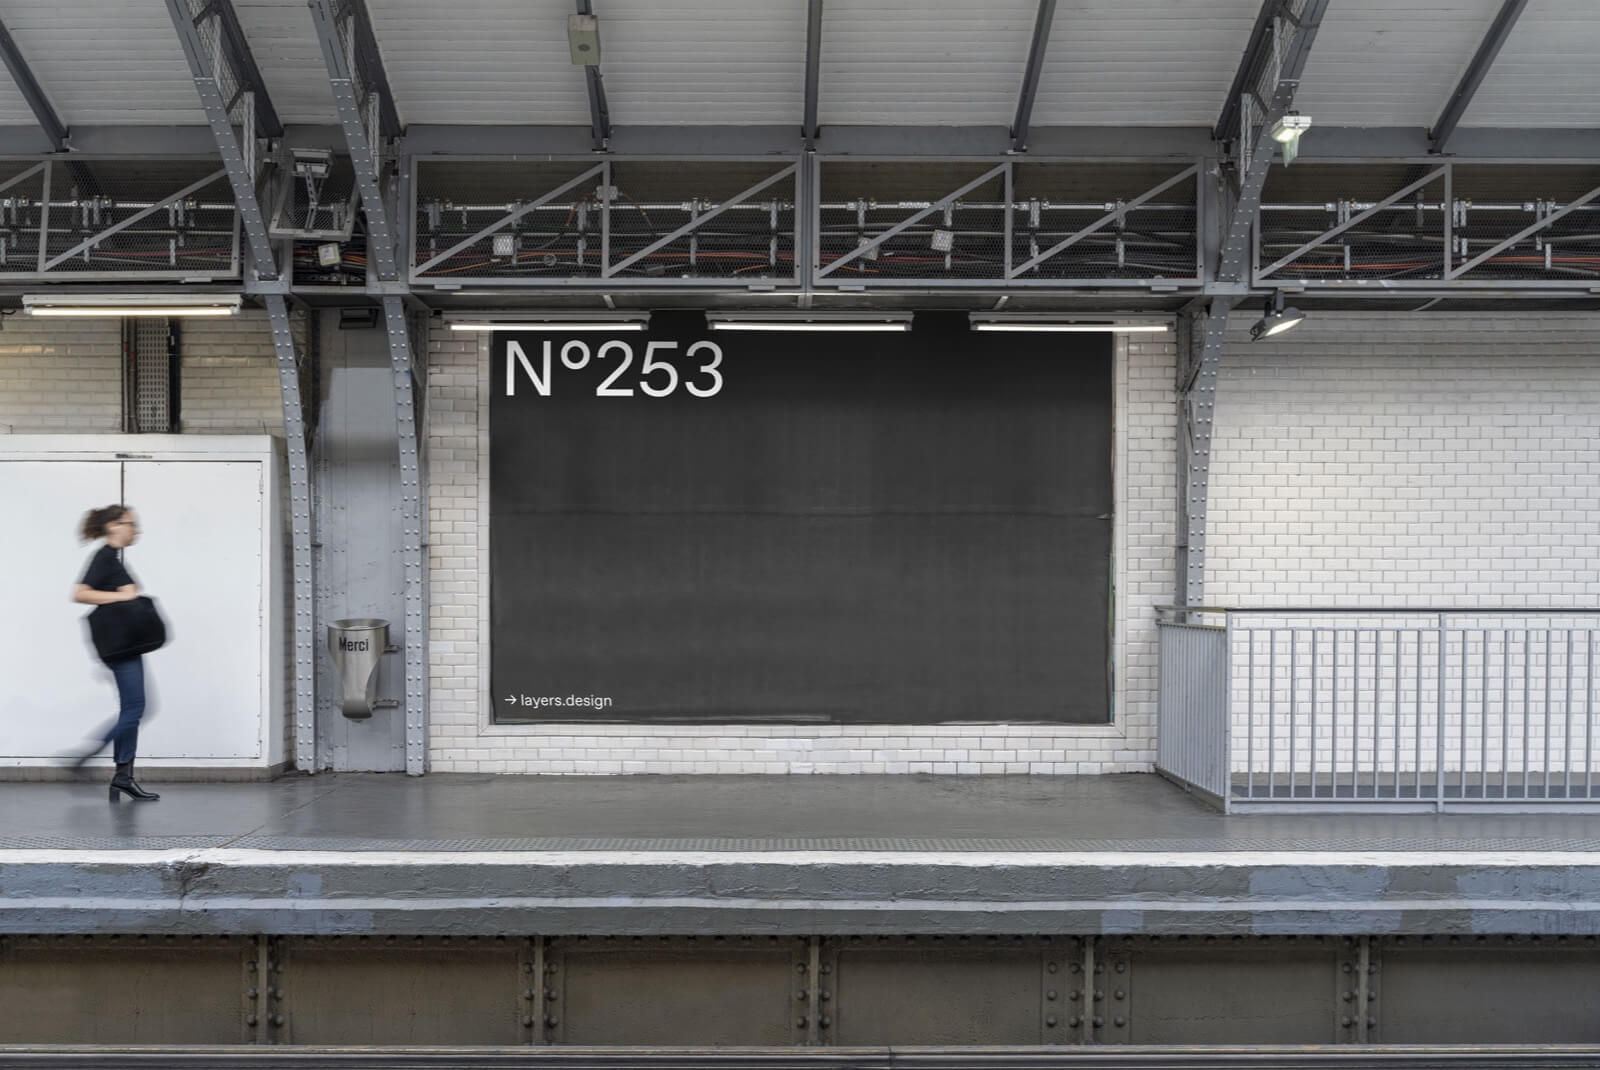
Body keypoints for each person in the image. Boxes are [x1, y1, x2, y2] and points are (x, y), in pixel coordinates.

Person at [72, 504, 160, 802]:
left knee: (132, 710)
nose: (135, 530)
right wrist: (122, 595)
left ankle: (123, 778)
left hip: (124, 645)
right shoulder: (105, 556)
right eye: (130, 524)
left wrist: (125, 595)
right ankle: (89, 753)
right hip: (120, 648)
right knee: (137, 709)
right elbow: (79, 593)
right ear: (113, 526)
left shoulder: (113, 558)